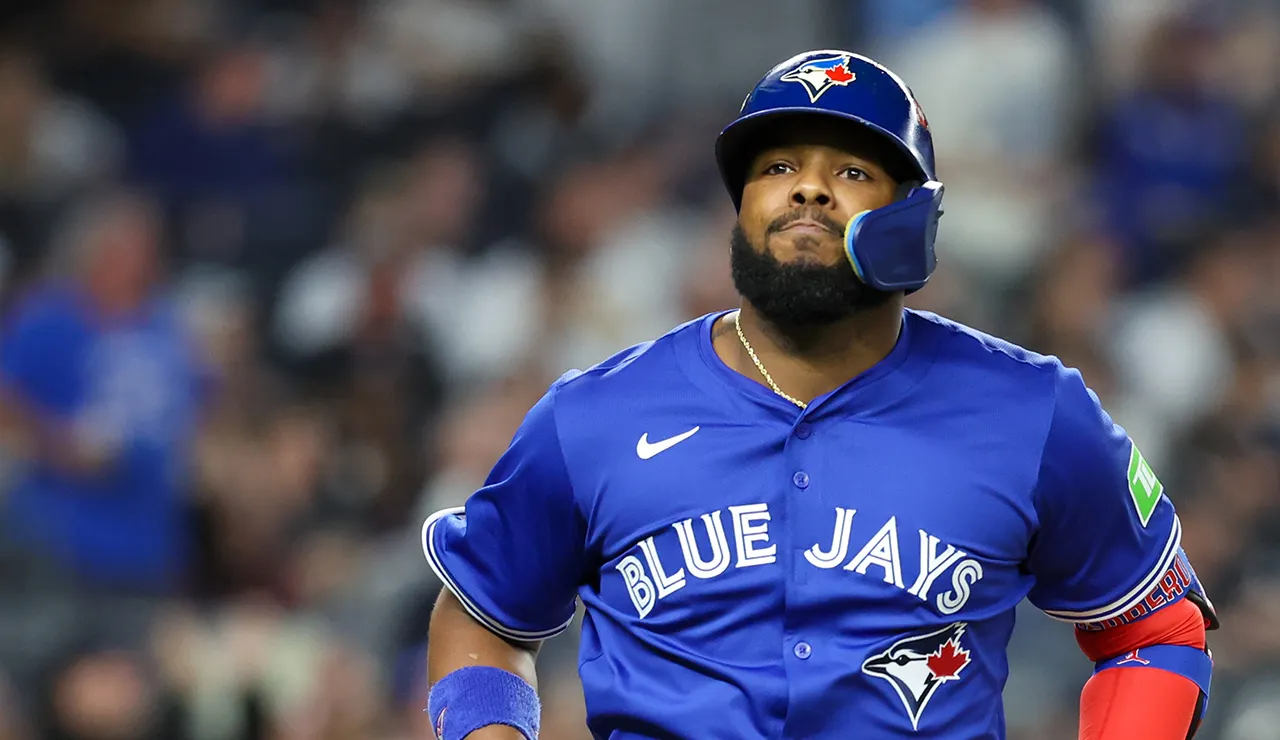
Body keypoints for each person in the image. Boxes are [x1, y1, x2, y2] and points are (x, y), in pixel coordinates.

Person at [420, 50, 1218, 740]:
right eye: (777, 168)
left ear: (915, 217)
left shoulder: (1033, 411)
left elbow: (1156, 631)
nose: (806, 191)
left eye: (850, 170)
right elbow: (482, 617)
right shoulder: (595, 415)